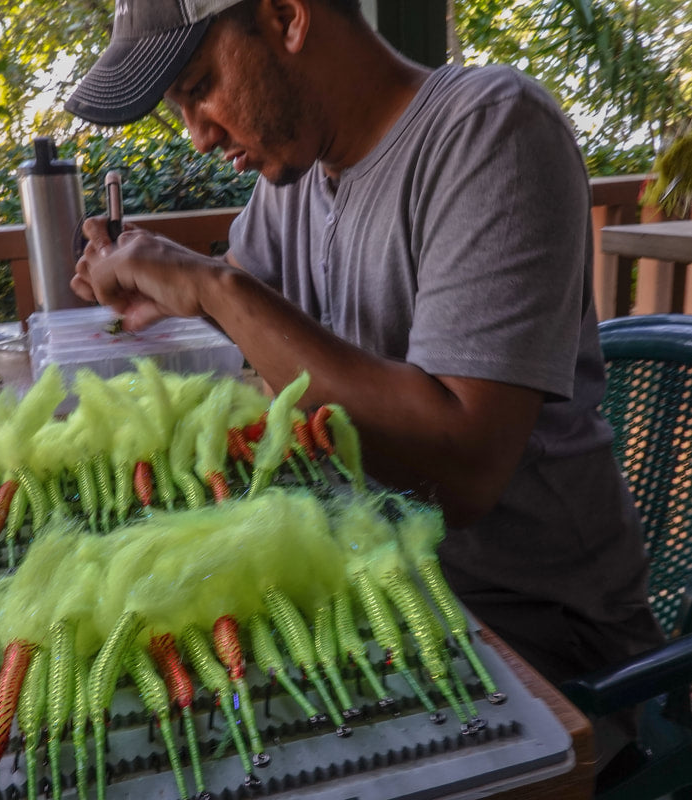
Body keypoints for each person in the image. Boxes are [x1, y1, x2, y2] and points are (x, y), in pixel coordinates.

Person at [67, 0, 665, 771]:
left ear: (286, 18)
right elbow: (262, 323)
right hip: (378, 593)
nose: (199, 134)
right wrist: (171, 291)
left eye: (199, 85)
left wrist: (215, 290)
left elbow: (460, 470)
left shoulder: (490, 130)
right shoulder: (293, 179)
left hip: (539, 652)